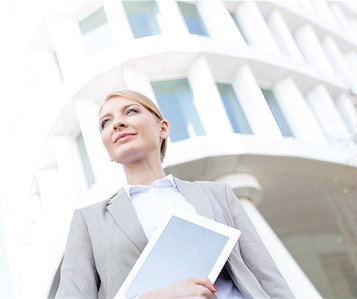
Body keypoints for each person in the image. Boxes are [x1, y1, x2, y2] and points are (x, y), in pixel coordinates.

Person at [55, 90, 295, 299]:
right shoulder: (89, 221)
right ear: (108, 148)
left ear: (163, 128)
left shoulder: (217, 194)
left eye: (130, 112)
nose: (117, 123)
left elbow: (268, 278)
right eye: (105, 122)